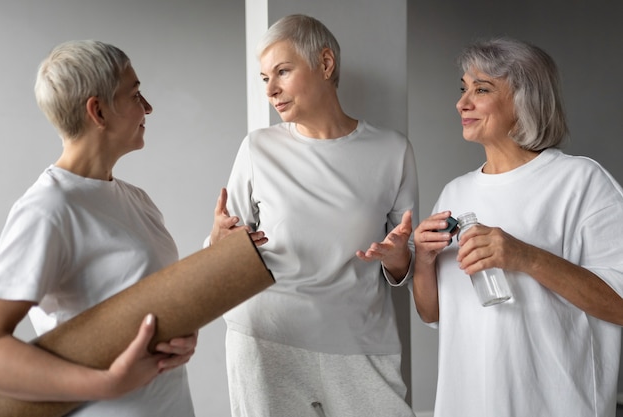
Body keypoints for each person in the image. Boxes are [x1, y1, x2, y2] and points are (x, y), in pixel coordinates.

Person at [206, 14, 418, 417]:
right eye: (265, 77)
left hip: (361, 342)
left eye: (282, 71)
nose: (271, 89)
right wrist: (219, 240)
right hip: (267, 339)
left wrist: (397, 258)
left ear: (325, 64)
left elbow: (405, 262)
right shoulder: (257, 149)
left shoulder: (393, 151)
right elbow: (222, 254)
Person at [412, 37, 623, 417]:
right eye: (463, 89)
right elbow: (433, 315)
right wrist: (423, 261)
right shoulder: (454, 193)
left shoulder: (581, 182)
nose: (462, 103)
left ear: (525, 99)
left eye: (482, 89)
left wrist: (525, 256)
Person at [0, 40, 196, 416]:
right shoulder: (48, 209)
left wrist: (179, 336)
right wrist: (107, 384)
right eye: (136, 94)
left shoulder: (137, 200)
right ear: (98, 110)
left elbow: (152, 307)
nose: (148, 107)